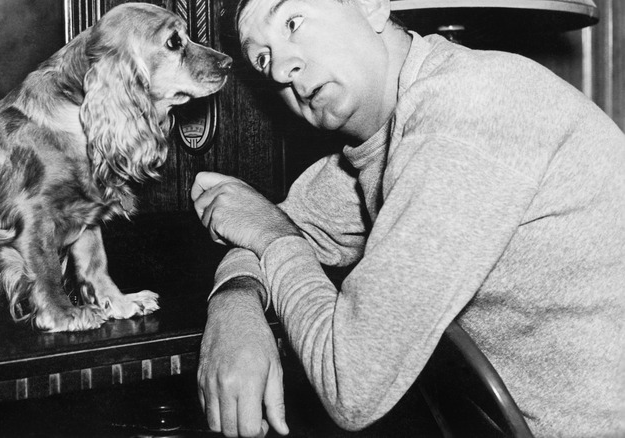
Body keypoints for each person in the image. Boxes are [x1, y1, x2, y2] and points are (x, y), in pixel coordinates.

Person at [190, 0, 625, 437]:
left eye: (293, 22)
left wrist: (274, 240)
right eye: (262, 59)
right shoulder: (385, 142)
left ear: (372, 6)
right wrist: (234, 301)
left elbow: (352, 385)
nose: (281, 68)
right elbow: (260, 223)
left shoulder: (467, 109)